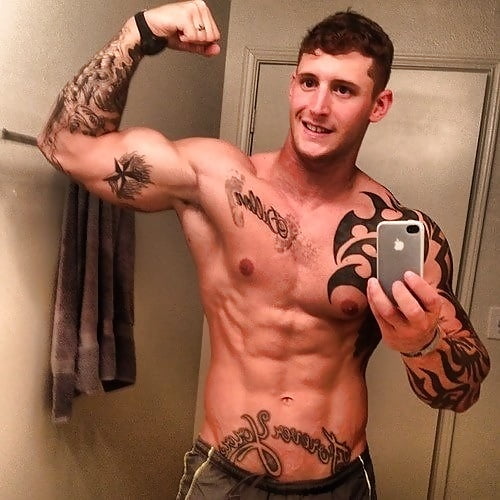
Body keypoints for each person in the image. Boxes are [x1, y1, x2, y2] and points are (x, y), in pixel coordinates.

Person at [38, 1, 490, 498]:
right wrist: (138, 31)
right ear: (292, 85)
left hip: (340, 484)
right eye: (309, 82)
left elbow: (462, 392)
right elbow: (66, 145)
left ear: (378, 105)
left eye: (343, 90)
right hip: (223, 477)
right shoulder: (215, 181)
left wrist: (423, 343)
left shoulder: (396, 231)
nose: (318, 106)